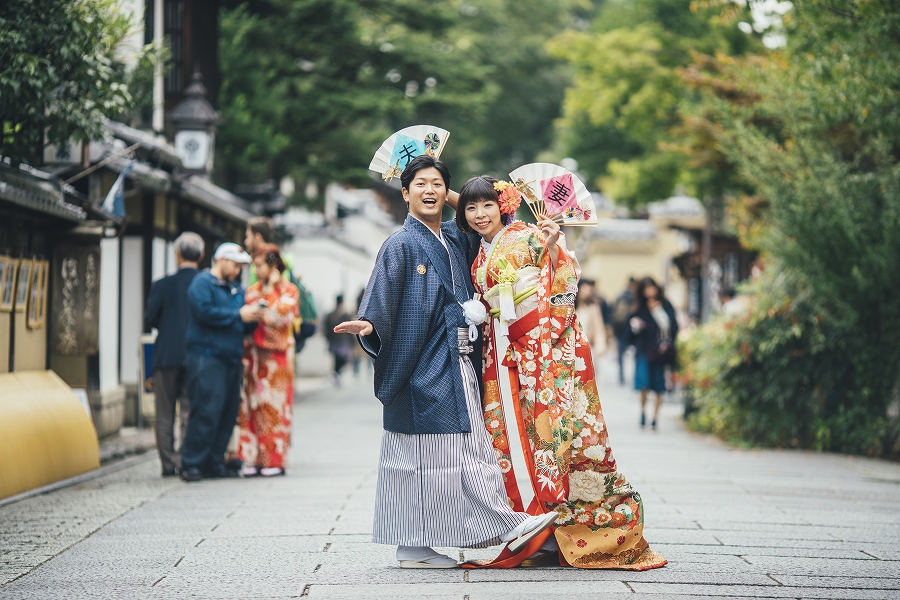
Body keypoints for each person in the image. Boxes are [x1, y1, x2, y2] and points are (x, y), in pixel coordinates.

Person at [333, 155, 557, 569]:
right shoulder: (399, 244)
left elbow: (476, 218)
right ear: (404, 194)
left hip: (455, 359)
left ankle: (415, 545)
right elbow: (380, 297)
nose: (430, 191)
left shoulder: (453, 239)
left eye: (437, 184)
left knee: (444, 454)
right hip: (424, 363)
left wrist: (456, 193)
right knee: (455, 453)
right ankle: (500, 525)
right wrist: (369, 324)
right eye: (419, 185)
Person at [459, 175, 667, 570]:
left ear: (506, 205)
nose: (480, 214)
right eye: (471, 208)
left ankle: (561, 528)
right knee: (511, 436)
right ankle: (529, 524)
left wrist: (552, 249)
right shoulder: (480, 254)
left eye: (487, 205)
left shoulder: (528, 235)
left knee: (550, 437)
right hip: (501, 355)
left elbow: (564, 277)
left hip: (539, 352)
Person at [180, 243, 261, 482]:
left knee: (226, 413)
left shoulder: (236, 290)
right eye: (235, 265)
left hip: (231, 358)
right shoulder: (202, 283)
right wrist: (238, 315)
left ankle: (214, 463)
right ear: (221, 260)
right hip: (206, 357)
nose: (237, 270)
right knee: (206, 410)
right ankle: (192, 464)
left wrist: (254, 316)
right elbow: (205, 312)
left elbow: (241, 324)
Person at [144, 232, 204, 477]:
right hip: (194, 353)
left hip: (166, 352)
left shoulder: (162, 284)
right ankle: (185, 459)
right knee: (189, 409)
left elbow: (150, 318)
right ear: (201, 256)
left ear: (177, 253)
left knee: (165, 410)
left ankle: (168, 463)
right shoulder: (204, 283)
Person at [237, 244, 299, 477]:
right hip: (254, 356)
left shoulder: (289, 290)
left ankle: (275, 460)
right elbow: (252, 316)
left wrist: (270, 295)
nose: (256, 269)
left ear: (273, 265)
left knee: (275, 408)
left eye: (259, 265)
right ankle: (253, 458)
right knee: (252, 406)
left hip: (277, 361)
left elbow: (280, 318)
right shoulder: (253, 290)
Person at [629, 276, 678, 430]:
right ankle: (643, 411)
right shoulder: (639, 308)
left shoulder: (665, 305)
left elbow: (672, 326)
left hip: (660, 352)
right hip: (644, 350)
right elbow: (630, 331)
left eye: (651, 287)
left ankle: (655, 418)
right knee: (643, 383)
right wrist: (635, 327)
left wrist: (657, 311)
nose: (649, 291)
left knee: (658, 386)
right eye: (646, 288)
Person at [611, 278, 637, 385]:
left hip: (619, 328)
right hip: (629, 328)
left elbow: (613, 313)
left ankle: (621, 375)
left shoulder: (619, 296)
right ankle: (635, 376)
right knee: (634, 352)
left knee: (621, 352)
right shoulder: (634, 297)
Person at [575, 278, 607, 362]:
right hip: (571, 349)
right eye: (584, 288)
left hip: (588, 348)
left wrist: (600, 346)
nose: (587, 292)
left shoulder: (593, 308)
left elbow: (598, 328)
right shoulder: (570, 308)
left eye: (589, 289)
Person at [324, 295, 354, 385]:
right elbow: (351, 328)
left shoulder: (331, 314)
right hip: (342, 340)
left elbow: (326, 328)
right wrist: (352, 342)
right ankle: (336, 374)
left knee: (339, 359)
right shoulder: (345, 314)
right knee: (341, 359)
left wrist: (328, 338)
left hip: (336, 340)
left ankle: (336, 373)